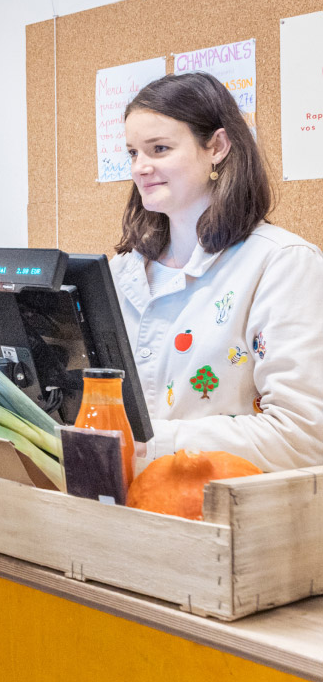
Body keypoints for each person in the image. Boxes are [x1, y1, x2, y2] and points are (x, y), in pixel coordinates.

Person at [112, 71, 323, 472]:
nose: (140, 167)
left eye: (159, 148)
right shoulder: (120, 271)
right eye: (133, 153)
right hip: (123, 513)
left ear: (217, 146)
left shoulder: (282, 263)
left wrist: (149, 444)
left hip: (226, 518)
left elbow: (304, 437)